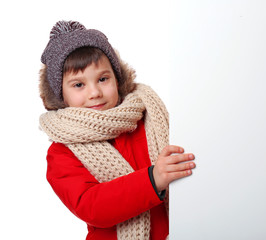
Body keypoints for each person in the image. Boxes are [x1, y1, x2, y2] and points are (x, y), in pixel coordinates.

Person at [39, 20, 196, 240]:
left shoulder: (148, 117)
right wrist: (153, 179)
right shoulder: (61, 153)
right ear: (60, 94)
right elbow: (92, 206)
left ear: (117, 78)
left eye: (103, 79)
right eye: (78, 84)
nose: (94, 92)